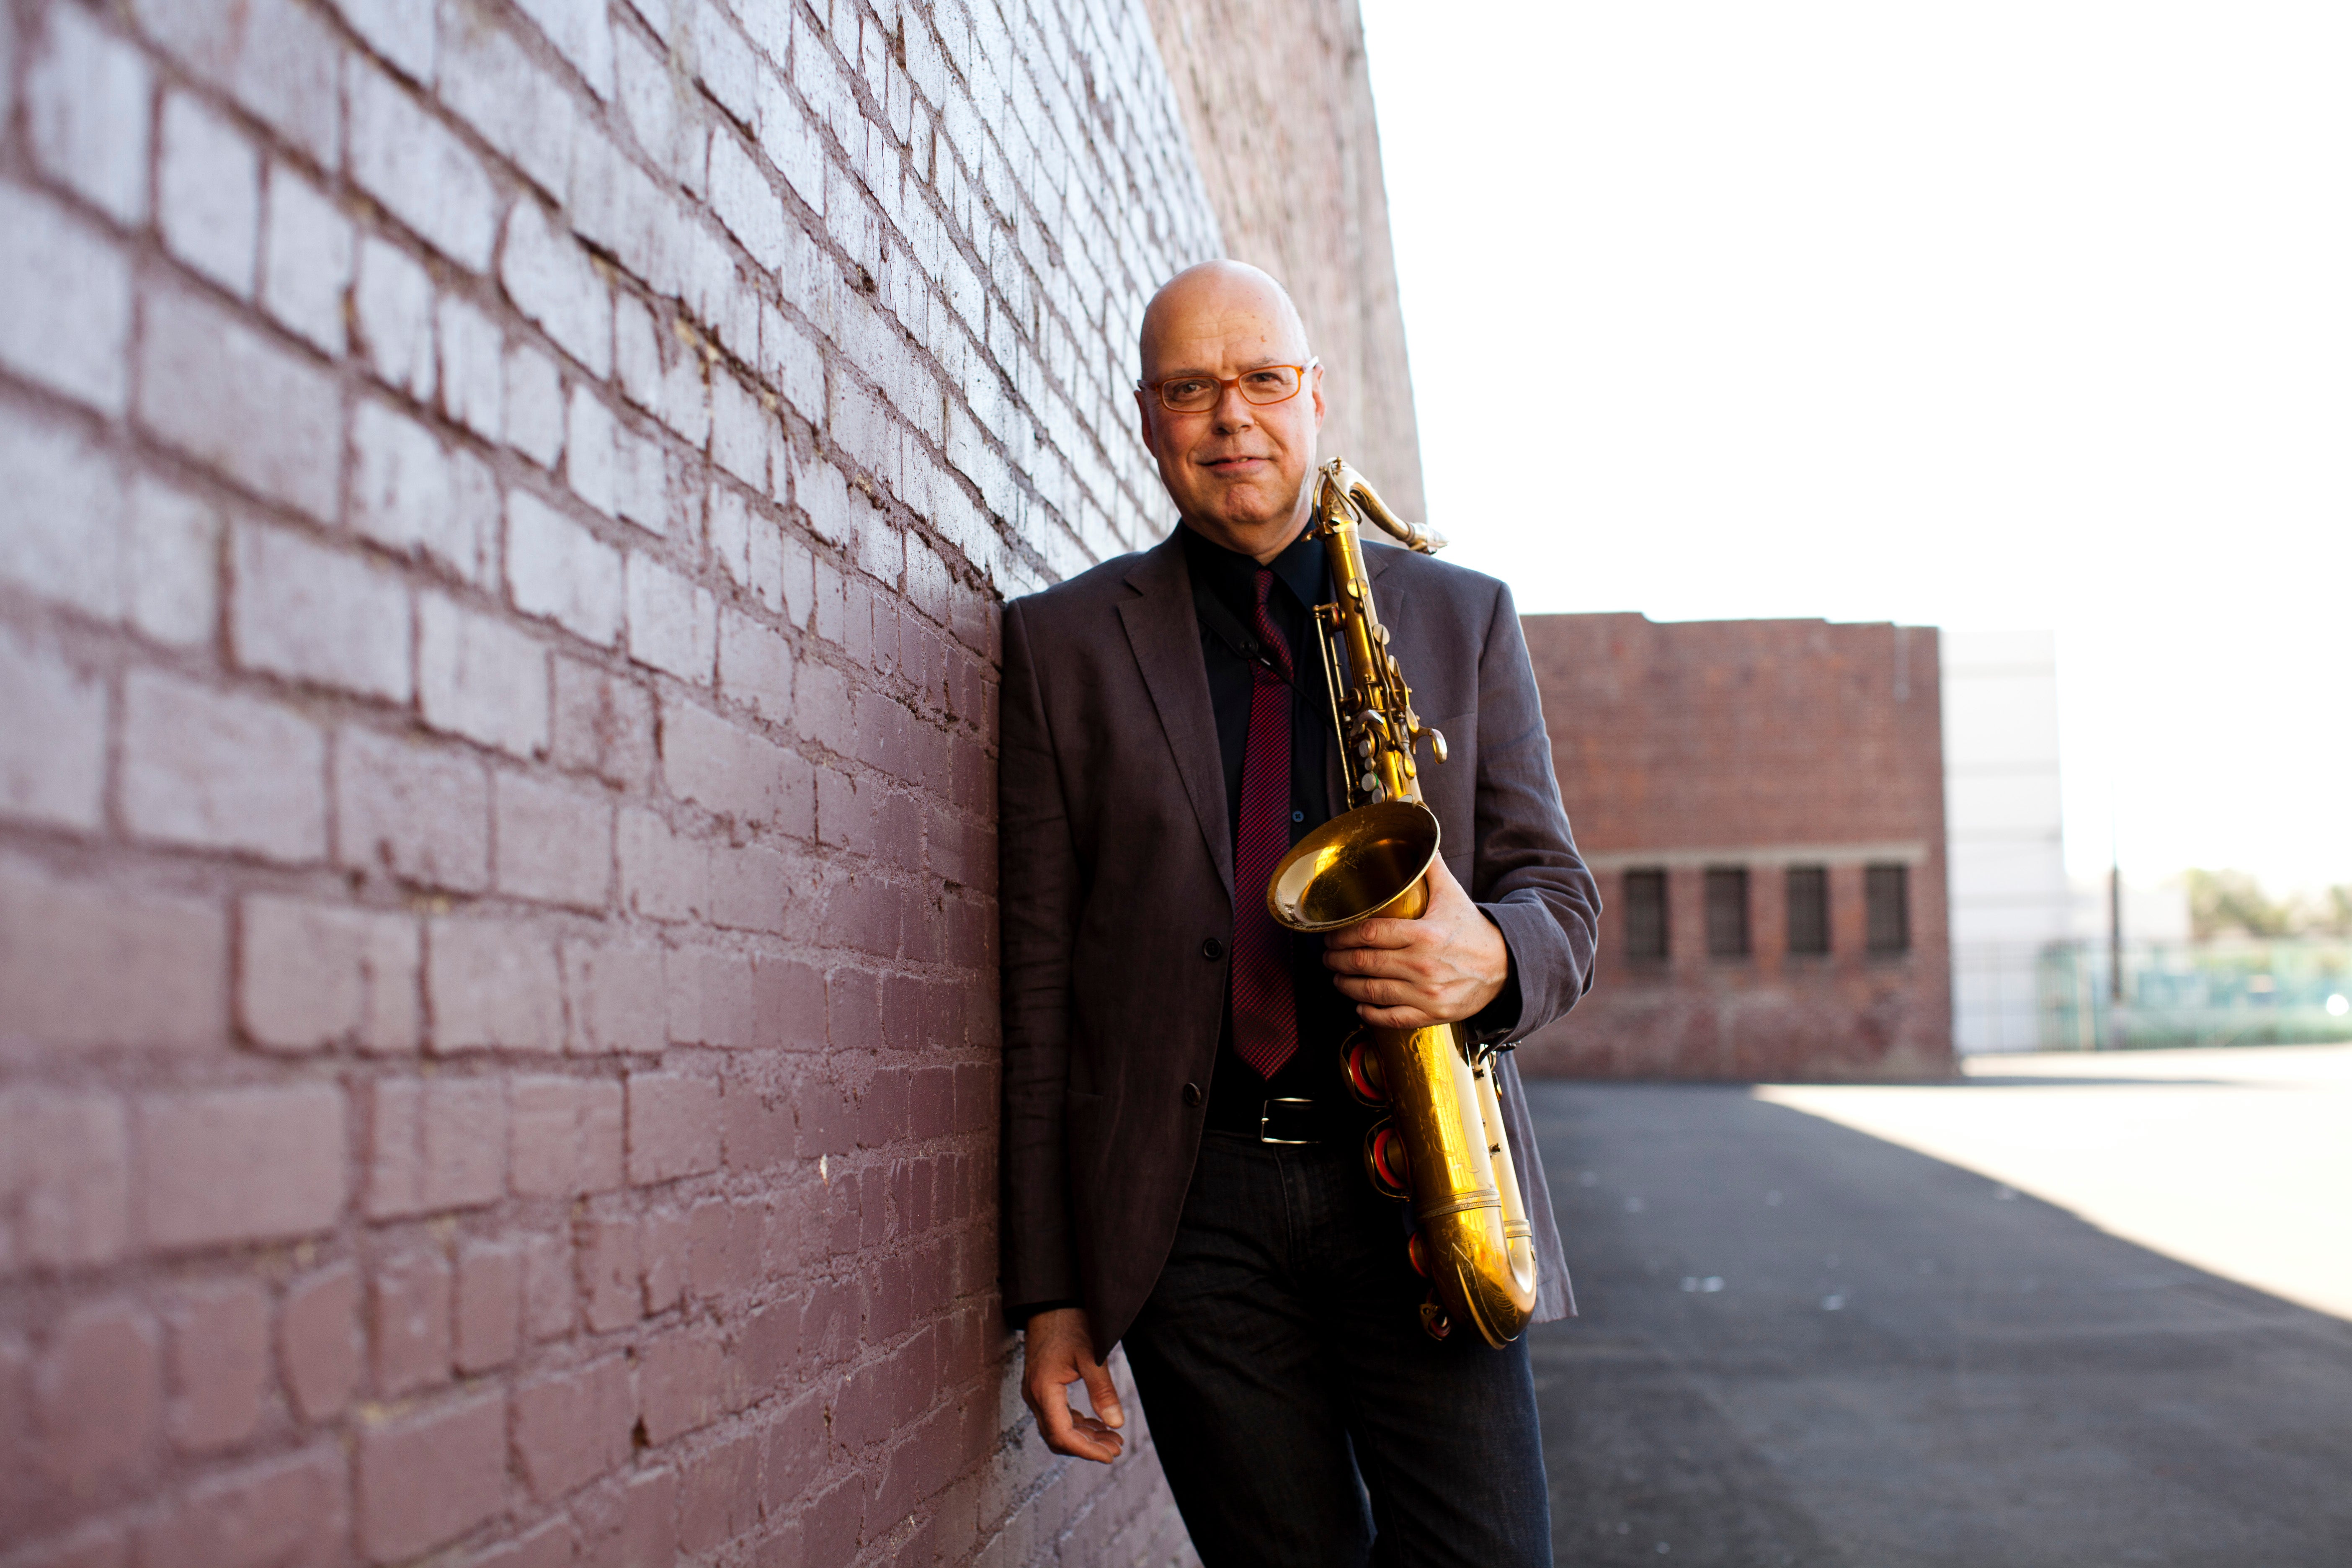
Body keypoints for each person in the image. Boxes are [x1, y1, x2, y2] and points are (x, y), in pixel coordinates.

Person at [998, 259, 1600, 1567]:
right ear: (1148, 419)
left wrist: (1484, 954)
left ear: (1315, 398)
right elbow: (1038, 990)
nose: (1233, 419)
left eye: (1263, 381)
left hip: (1417, 1180)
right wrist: (1052, 1298)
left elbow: (1563, 902)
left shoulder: (1461, 617)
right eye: (1192, 390)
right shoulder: (1061, 649)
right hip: (1192, 1216)